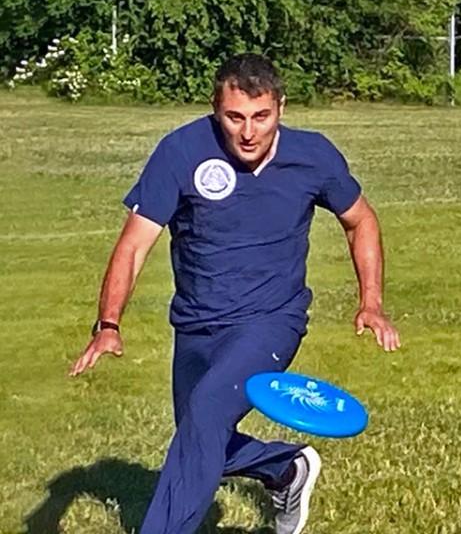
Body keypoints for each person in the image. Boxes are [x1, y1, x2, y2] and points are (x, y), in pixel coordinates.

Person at [68, 53, 401, 534]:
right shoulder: (180, 151)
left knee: (204, 418)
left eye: (261, 117)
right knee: (201, 438)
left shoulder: (313, 156)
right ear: (215, 109)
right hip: (196, 323)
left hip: (270, 321)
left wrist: (371, 301)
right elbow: (135, 243)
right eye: (235, 117)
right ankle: (285, 469)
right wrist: (109, 324)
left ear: (281, 108)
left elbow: (360, 220)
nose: (248, 132)